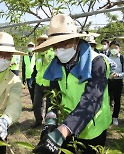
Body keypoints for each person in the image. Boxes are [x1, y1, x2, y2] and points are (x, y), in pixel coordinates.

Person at [33, 14, 112, 154]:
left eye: (64, 43)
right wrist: (50, 121)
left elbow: (92, 100)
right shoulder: (55, 65)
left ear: (76, 40)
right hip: (66, 123)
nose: (60, 49)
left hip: (93, 129)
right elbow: (54, 96)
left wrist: (63, 130)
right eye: (55, 45)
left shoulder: (97, 62)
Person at [31, 34, 55, 128]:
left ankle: (48, 123)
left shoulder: (52, 53)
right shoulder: (37, 54)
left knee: (49, 105)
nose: (41, 43)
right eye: (39, 41)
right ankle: (38, 121)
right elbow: (36, 68)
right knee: (36, 104)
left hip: (49, 83)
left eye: (43, 41)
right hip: (39, 82)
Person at [108, 40, 123, 126]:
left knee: (117, 100)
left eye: (116, 47)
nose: (114, 49)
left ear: (119, 49)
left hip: (118, 81)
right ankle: (106, 117)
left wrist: (118, 74)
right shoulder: (107, 57)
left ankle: (115, 117)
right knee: (105, 99)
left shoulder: (122, 58)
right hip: (108, 80)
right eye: (112, 47)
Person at [22, 41, 36, 108]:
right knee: (31, 92)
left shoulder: (37, 55)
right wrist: (23, 78)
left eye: (32, 46)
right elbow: (23, 67)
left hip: (36, 76)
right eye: (29, 46)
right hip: (28, 76)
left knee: (36, 91)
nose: (30, 48)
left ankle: (36, 105)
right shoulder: (25, 55)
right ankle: (34, 105)